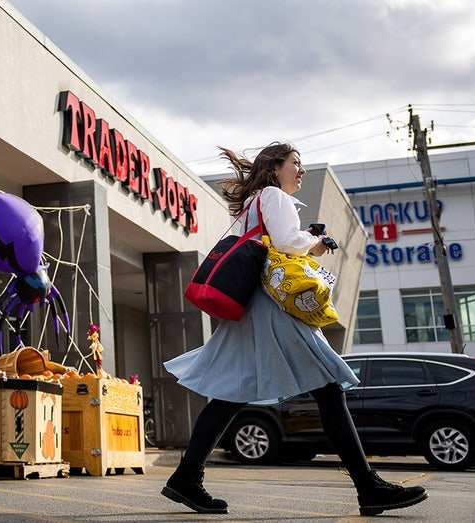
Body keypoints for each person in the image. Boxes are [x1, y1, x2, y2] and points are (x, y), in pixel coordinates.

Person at [161, 142, 427, 516]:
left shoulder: (257, 200)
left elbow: (275, 242)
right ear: (275, 168)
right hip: (273, 308)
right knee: (329, 390)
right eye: (295, 163)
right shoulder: (273, 194)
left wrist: (304, 237)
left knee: (230, 393)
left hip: (252, 307)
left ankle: (187, 476)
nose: (301, 170)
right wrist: (316, 243)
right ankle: (368, 486)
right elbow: (286, 243)